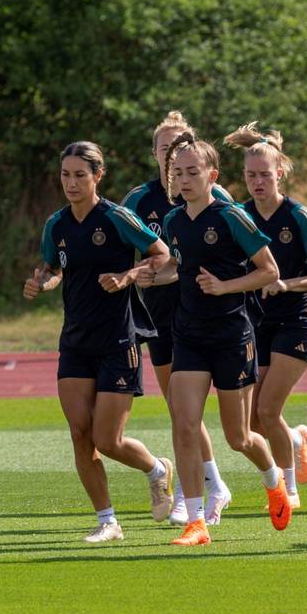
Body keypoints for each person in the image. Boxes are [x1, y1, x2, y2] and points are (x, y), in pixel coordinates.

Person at [24, 141, 175, 543]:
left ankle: (157, 469)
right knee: (80, 433)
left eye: (79, 175)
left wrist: (127, 276)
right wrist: (42, 281)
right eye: (65, 175)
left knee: (108, 440)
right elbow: (54, 268)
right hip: (74, 340)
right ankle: (108, 520)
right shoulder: (56, 224)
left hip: (118, 339)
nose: (71, 183)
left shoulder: (117, 218)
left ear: (98, 176)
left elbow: (161, 254)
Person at [157, 133, 290, 546]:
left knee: (239, 437)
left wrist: (225, 286)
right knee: (184, 424)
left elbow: (269, 271)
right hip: (189, 334)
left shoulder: (232, 216)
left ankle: (274, 482)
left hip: (232, 335)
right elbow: (178, 268)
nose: (184, 179)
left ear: (212, 175)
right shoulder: (174, 221)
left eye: (193, 172)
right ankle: (195, 522)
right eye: (177, 173)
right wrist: (148, 275)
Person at [124, 111, 236, 524]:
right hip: (159, 315)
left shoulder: (214, 197)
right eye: (164, 148)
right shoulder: (139, 200)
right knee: (180, 411)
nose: (172, 156)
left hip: (207, 314)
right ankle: (209, 486)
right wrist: (137, 275)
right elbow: (126, 249)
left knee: (219, 421)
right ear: (156, 153)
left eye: (179, 146)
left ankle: (209, 487)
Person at [224, 123, 307, 509]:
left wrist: (287, 285)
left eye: (264, 174)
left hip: (296, 319)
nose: (258, 182)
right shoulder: (240, 215)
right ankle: (294, 440)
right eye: (250, 175)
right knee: (254, 424)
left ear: (280, 173)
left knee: (266, 409)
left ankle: (289, 489)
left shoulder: (298, 216)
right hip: (254, 322)